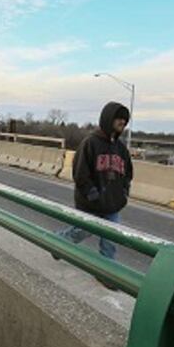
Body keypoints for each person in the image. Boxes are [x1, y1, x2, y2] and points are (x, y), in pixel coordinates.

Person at [56, 101, 133, 262]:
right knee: (81, 232)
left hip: (112, 205)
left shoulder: (121, 149)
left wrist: (124, 193)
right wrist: (92, 194)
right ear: (108, 119)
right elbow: (80, 173)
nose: (122, 122)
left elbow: (128, 174)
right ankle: (58, 243)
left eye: (125, 120)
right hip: (91, 203)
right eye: (119, 118)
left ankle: (107, 271)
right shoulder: (90, 143)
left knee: (110, 241)